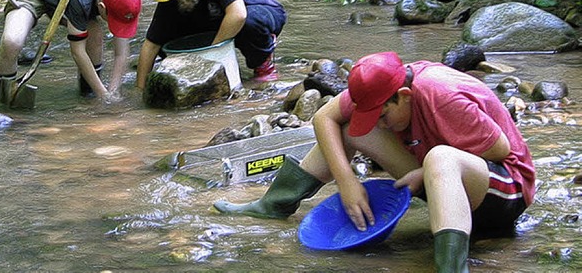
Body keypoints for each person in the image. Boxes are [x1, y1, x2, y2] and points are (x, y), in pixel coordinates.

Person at [214, 52, 535, 272]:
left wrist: (426, 169)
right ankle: (274, 204)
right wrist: (347, 182)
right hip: (443, 181)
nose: (379, 124)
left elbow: (500, 150)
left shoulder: (443, 94)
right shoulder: (378, 84)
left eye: (383, 115)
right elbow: (325, 117)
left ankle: (451, 265)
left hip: (504, 190)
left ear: (405, 95)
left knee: (440, 157)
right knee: (346, 130)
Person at [0, 0, 142, 104]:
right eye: (113, 20)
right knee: (12, 41)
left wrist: (113, 90)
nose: (116, 25)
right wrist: (104, 95)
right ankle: (3, 102)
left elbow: (121, 52)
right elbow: (78, 52)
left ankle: (88, 97)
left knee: (94, 37)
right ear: (102, 7)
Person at [136, 0, 287, 87]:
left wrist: (210, 57)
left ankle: (263, 64)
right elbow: (151, 44)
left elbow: (238, 14)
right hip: (216, 19)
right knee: (167, 41)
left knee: (250, 22)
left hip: (260, 13)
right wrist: (141, 89)